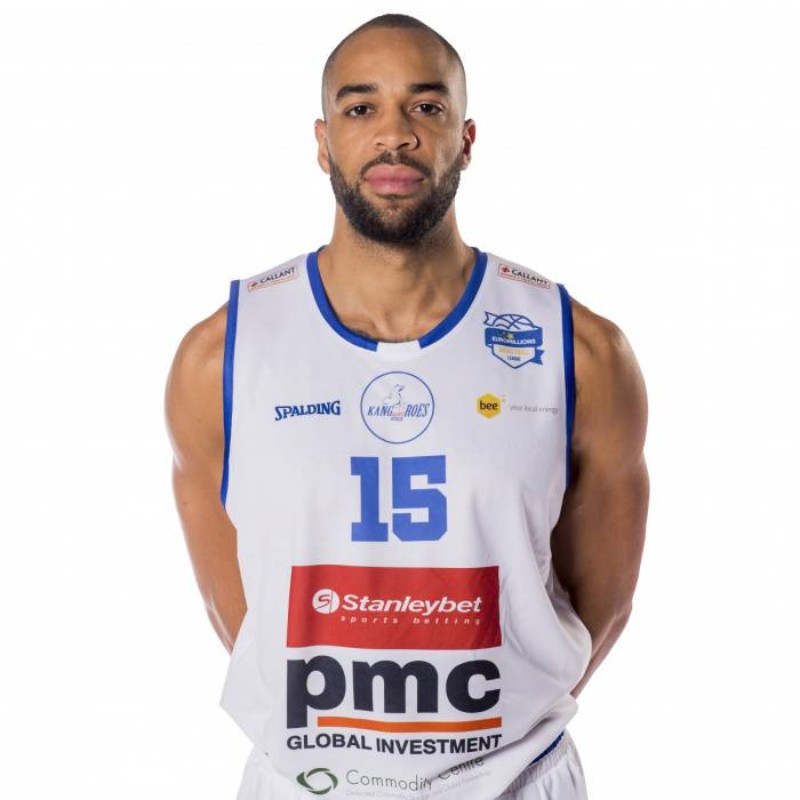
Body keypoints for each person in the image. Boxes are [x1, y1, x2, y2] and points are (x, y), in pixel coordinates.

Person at [165, 13, 648, 800]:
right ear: (323, 141)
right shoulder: (222, 354)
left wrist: (488, 737)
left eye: (426, 106)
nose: (394, 135)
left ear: (467, 138)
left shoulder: (580, 351)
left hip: (515, 780)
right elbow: (243, 615)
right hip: (307, 782)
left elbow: (606, 603)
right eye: (361, 108)